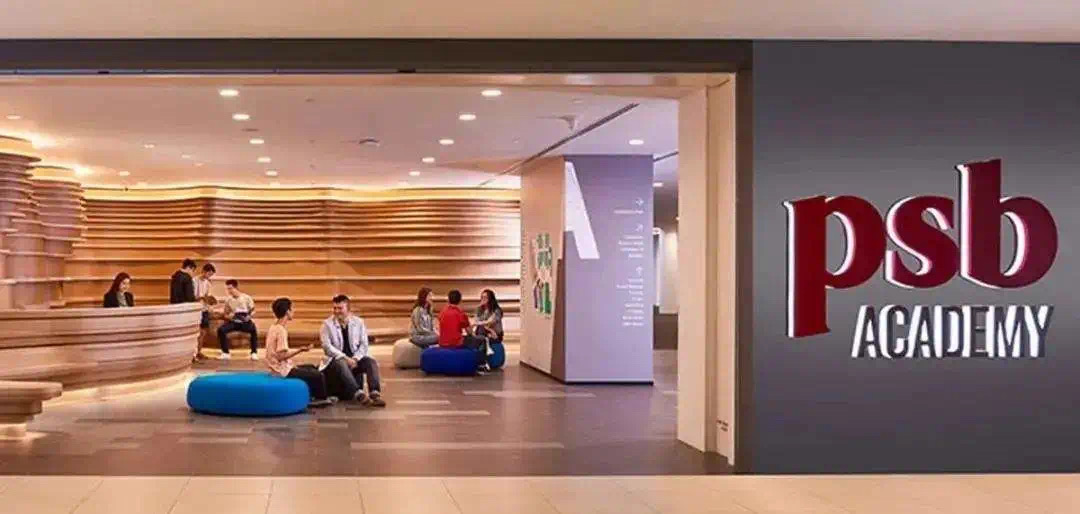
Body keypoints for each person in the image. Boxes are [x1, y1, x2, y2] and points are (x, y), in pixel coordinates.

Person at [265, 297, 334, 408]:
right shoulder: (281, 331)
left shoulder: (273, 327)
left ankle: (314, 395)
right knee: (318, 375)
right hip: (282, 371)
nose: (293, 311)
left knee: (312, 367)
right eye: (292, 309)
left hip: (276, 368)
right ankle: (320, 399)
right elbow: (281, 356)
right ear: (287, 311)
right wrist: (300, 350)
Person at [319, 294, 386, 407]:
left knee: (371, 362)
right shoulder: (326, 324)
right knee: (341, 363)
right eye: (335, 308)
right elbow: (327, 347)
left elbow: (364, 345)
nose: (337, 311)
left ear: (348, 309)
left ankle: (375, 393)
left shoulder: (359, 322)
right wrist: (345, 358)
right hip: (335, 361)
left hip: (354, 359)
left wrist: (355, 358)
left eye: (340, 308)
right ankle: (358, 394)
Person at [438, 289, 489, 372]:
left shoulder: (442, 312)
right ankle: (481, 365)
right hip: (456, 342)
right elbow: (469, 332)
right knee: (482, 340)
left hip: (442, 342)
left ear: (448, 300)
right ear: (460, 300)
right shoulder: (460, 313)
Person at [217, 279, 258, 361]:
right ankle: (225, 353)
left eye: (230, 288)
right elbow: (225, 314)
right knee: (221, 330)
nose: (229, 291)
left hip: (245, 321)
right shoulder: (228, 300)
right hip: (234, 322)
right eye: (228, 289)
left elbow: (253, 310)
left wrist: (249, 316)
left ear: (236, 288)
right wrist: (229, 317)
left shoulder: (246, 298)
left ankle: (254, 352)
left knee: (253, 329)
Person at [193, 263, 217, 362]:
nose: (209, 276)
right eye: (209, 274)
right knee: (196, 332)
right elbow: (193, 297)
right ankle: (193, 353)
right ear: (204, 271)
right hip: (196, 309)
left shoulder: (207, 283)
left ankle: (199, 351)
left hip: (204, 309)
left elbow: (208, 295)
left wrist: (211, 301)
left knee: (203, 332)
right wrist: (202, 297)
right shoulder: (194, 281)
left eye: (211, 275)